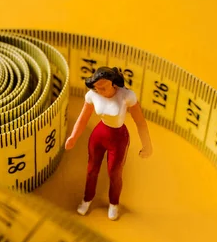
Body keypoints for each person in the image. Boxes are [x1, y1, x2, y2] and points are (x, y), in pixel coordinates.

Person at [65, 66, 153, 220]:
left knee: (114, 173)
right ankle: (87, 199)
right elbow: (83, 118)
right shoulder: (92, 95)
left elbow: (140, 122)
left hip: (118, 138)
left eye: (103, 88)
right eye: (97, 88)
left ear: (113, 84)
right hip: (99, 135)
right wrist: (73, 136)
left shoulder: (126, 96)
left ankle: (114, 203)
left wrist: (147, 145)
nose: (99, 91)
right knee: (91, 169)